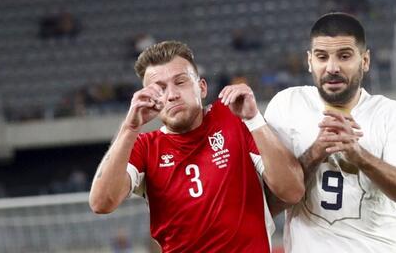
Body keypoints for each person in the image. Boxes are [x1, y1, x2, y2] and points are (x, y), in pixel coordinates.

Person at [89, 40, 304, 252]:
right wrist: (129, 128)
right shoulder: (144, 147)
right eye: (159, 89)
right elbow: (101, 203)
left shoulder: (235, 118)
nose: (172, 95)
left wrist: (255, 119)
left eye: (180, 82)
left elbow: (292, 191)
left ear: (202, 87)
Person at [264, 12, 396, 252]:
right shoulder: (287, 106)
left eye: (344, 56)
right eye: (322, 57)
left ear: (365, 60)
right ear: (309, 61)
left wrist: (360, 157)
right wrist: (314, 154)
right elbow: (268, 204)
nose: (332, 67)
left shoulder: (389, 113)